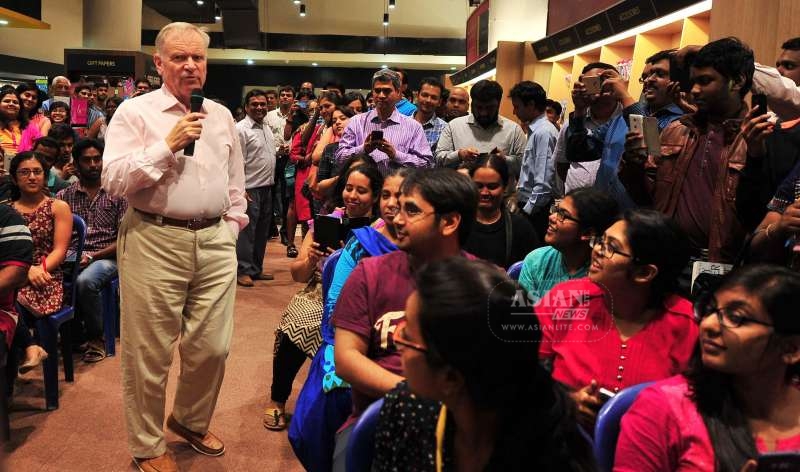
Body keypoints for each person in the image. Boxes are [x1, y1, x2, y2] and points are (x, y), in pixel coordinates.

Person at [102, 22, 248, 471]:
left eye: (198, 58)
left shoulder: (222, 115)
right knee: (149, 351)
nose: (190, 66)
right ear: (160, 63)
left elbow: (235, 182)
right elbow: (112, 182)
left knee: (214, 348)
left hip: (215, 240)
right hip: (153, 236)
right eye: (180, 58)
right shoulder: (135, 112)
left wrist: (231, 227)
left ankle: (188, 419)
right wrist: (168, 145)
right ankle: (147, 445)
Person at [374, 257, 597, 472]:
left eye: (407, 335)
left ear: (450, 378)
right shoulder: (405, 410)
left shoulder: (550, 442)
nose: (397, 340)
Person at [331, 168, 477, 471]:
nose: (396, 219)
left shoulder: (488, 284)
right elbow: (346, 358)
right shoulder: (369, 274)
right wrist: (416, 397)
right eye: (396, 207)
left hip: (466, 422)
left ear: (449, 222)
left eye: (410, 210)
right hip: (377, 416)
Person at [615, 265, 800, 472]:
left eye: (736, 317)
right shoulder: (661, 408)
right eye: (710, 309)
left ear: (792, 348)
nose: (708, 324)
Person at [288, 167, 407, 471]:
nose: (394, 205)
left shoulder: (427, 247)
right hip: (354, 334)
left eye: (404, 199)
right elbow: (335, 310)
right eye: (387, 196)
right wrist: (313, 258)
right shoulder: (362, 242)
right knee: (333, 390)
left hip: (401, 345)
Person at [537, 209, 697, 429]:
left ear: (644, 273)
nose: (597, 252)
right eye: (600, 242)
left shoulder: (685, 323)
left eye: (611, 248)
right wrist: (565, 403)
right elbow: (523, 373)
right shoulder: (565, 299)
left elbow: (696, 408)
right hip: (565, 441)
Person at [620, 37, 759, 264]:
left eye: (705, 81)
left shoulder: (755, 138)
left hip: (724, 266)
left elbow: (759, 214)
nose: (694, 90)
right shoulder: (676, 130)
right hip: (668, 257)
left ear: (738, 81)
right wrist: (634, 163)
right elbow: (645, 198)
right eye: (693, 81)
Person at [266, 162, 383, 431]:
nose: (352, 196)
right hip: (320, 291)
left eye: (361, 191)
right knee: (298, 317)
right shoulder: (326, 222)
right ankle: (278, 399)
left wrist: (347, 259)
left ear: (375, 196)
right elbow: (298, 275)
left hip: (363, 299)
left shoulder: (380, 229)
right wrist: (312, 259)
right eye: (349, 188)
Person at [56, 138, 127, 363]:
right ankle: (71, 335)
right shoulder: (64, 197)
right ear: (76, 164)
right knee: (49, 276)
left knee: (85, 282)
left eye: (98, 159)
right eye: (87, 160)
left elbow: (125, 240)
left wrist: (92, 256)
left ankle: (97, 338)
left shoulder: (119, 194)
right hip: (72, 255)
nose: (94, 164)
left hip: (107, 256)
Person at [519, 187, 618, 300]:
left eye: (563, 215)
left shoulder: (604, 277)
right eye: (556, 210)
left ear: (587, 233)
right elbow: (524, 315)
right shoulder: (536, 261)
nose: (551, 217)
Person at [9, 152, 72, 318]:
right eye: (24, 172)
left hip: (45, 276)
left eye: (37, 172)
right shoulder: (7, 210)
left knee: (12, 304)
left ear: (45, 177)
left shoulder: (58, 207)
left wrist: (37, 269)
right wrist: (25, 270)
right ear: (14, 179)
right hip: (12, 272)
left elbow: (60, 251)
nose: (31, 177)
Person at [335, 69, 433, 176]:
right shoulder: (356, 122)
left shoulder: (413, 127)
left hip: (398, 190)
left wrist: (396, 155)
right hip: (363, 190)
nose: (381, 95)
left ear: (398, 93)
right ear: (372, 93)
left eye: (387, 91)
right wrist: (363, 149)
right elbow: (340, 158)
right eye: (377, 91)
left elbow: (426, 164)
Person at [435, 80, 526, 175]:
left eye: (489, 108)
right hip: (462, 188)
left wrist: (504, 159)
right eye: (479, 107)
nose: (483, 113)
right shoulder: (454, 126)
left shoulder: (514, 130)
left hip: (501, 189)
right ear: (472, 104)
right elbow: (438, 159)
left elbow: (526, 165)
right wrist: (459, 155)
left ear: (498, 104)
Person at [463, 154, 539, 268]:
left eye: (492, 187)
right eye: (478, 186)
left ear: (504, 186)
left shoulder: (521, 228)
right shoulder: (458, 224)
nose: (484, 193)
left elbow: (534, 271)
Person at [235, 89, 277, 287]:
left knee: (262, 232)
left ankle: (255, 269)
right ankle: (242, 270)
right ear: (246, 107)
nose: (260, 107)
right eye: (255, 104)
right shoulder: (241, 129)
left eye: (263, 104)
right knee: (247, 232)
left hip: (267, 187)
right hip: (250, 189)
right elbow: (237, 161)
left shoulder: (266, 127)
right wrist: (240, 188)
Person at [510, 80, 560, 235]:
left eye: (517, 106)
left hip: (536, 210)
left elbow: (544, 181)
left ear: (531, 104)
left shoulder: (543, 132)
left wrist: (527, 211)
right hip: (530, 204)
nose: (514, 112)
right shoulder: (536, 130)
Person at [266, 85, 296, 248]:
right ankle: (270, 229)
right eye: (282, 95)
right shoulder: (269, 116)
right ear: (279, 98)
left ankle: (286, 232)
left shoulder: (298, 115)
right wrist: (277, 149)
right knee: (270, 194)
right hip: (272, 158)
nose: (285, 97)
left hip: (291, 160)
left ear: (293, 98)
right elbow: (266, 137)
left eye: (288, 95)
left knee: (287, 197)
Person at [0, 87, 42, 156]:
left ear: (20, 107)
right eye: (7, 101)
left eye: (15, 102)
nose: (11, 104)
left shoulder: (29, 127)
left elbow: (41, 148)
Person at [412, 77, 447, 153]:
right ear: (417, 96)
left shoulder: (445, 129)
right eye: (425, 95)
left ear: (439, 102)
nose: (428, 100)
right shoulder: (402, 123)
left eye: (434, 97)